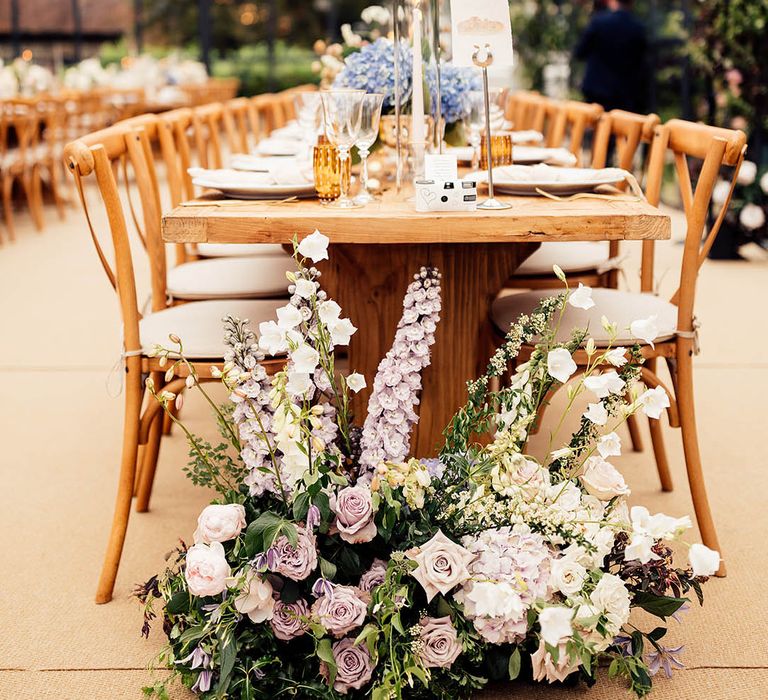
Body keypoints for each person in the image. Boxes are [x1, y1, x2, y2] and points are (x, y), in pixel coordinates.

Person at [575, 0, 648, 113]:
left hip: (597, 92)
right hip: (625, 95)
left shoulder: (598, 22)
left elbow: (580, 53)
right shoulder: (638, 28)